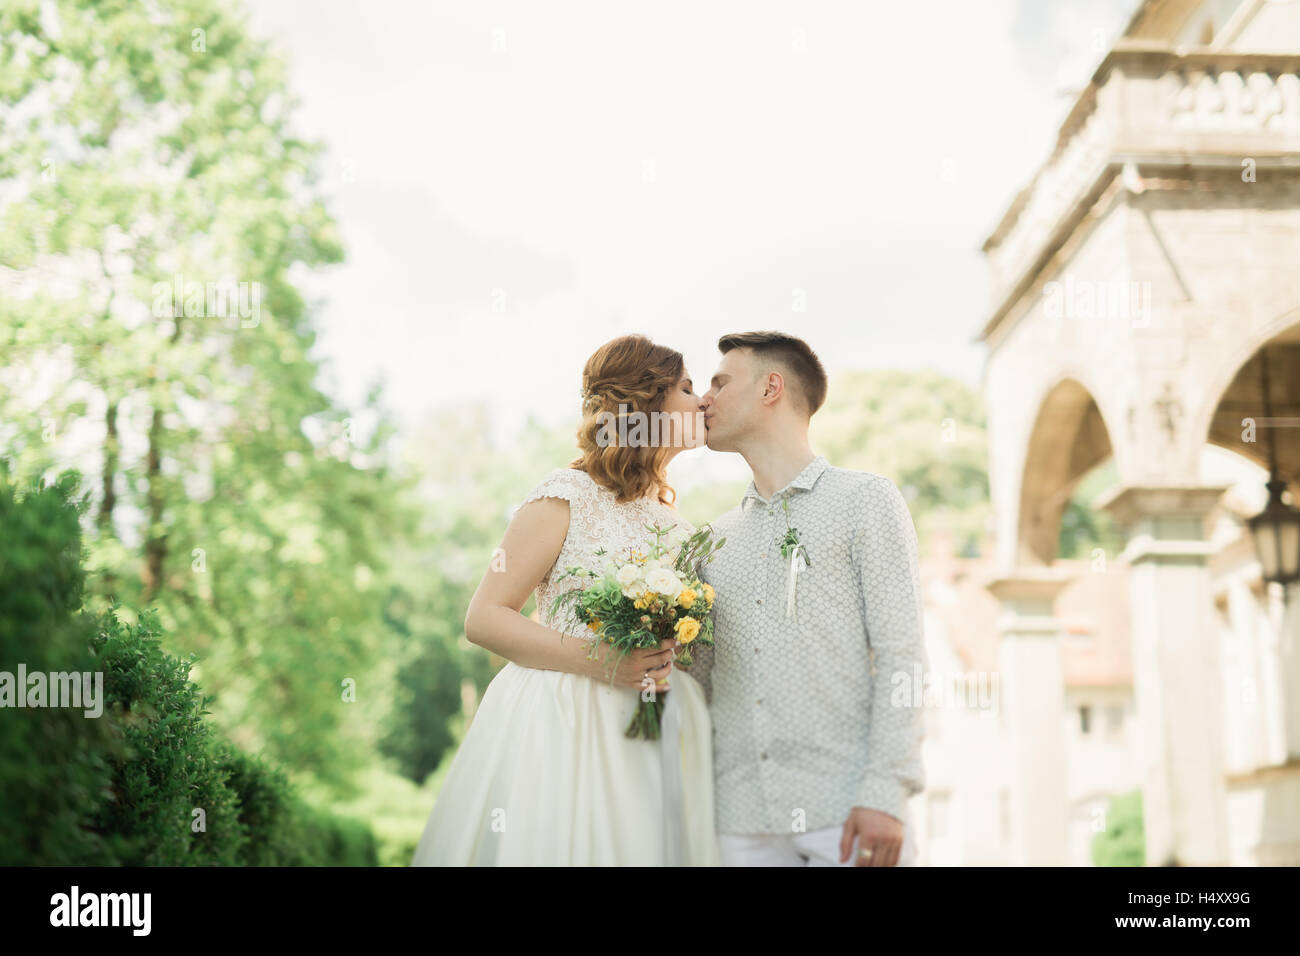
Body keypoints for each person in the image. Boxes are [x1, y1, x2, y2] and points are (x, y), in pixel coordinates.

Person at [411, 333, 720, 865]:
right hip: (563, 725)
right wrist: (605, 661)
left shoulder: (677, 524)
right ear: (646, 404)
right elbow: (484, 617)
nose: (701, 401)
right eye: (687, 387)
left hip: (653, 733)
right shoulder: (565, 495)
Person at [685, 330, 928, 867]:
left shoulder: (866, 502)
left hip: (847, 813)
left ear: (771, 387)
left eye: (720, 383)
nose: (704, 398)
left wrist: (886, 791)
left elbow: (902, 657)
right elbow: (697, 684)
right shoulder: (711, 541)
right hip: (738, 824)